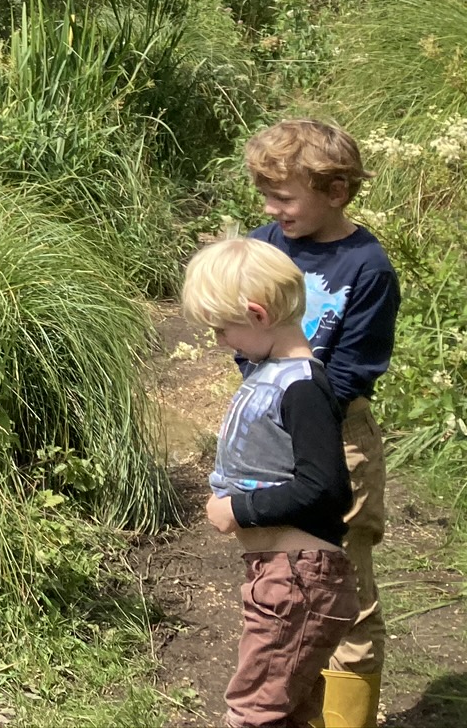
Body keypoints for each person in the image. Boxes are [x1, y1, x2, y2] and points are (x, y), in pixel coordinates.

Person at [244, 119, 398, 728]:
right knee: (284, 582)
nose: (270, 208)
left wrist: (297, 396)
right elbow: (241, 331)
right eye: (265, 194)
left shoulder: (368, 267)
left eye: (283, 197)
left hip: (338, 438)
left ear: (335, 192)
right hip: (270, 435)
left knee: (347, 590)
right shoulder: (265, 245)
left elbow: (356, 367)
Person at [184, 236, 356, 728]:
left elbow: (325, 488)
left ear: (258, 315)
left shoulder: (301, 386)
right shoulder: (273, 373)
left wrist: (238, 510)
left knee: (255, 712)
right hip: (285, 576)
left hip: (298, 578)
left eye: (223, 328)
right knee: (291, 712)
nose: (220, 340)